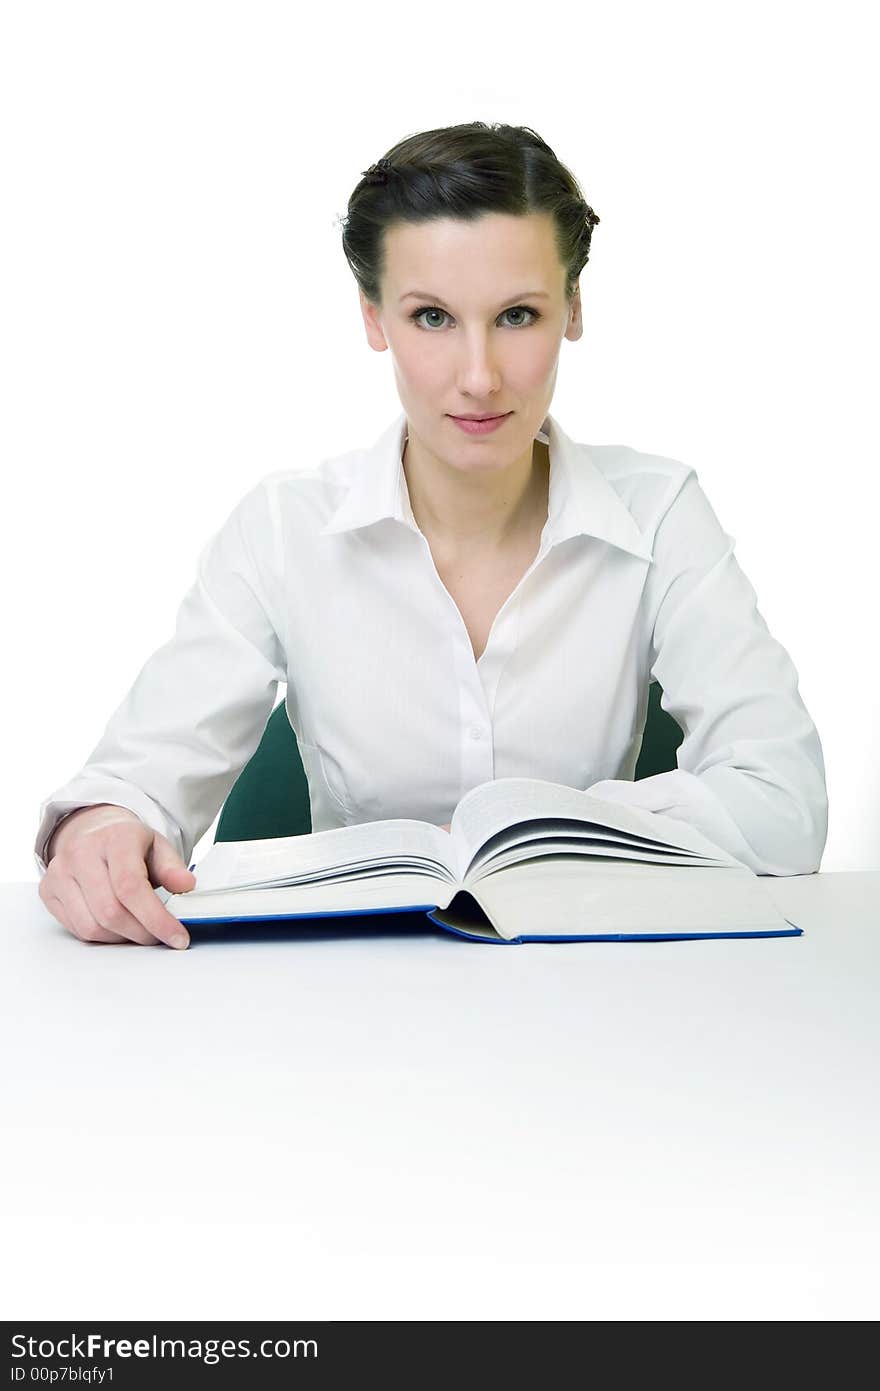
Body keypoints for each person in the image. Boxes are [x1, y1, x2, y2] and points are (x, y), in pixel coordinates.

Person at [35, 121, 828, 950]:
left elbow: (784, 802)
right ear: (375, 318)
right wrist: (101, 831)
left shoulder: (662, 510)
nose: (480, 375)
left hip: (596, 995)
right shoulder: (281, 528)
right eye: (433, 318)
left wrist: (547, 832)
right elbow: (134, 779)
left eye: (518, 314)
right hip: (346, 1001)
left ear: (575, 310)